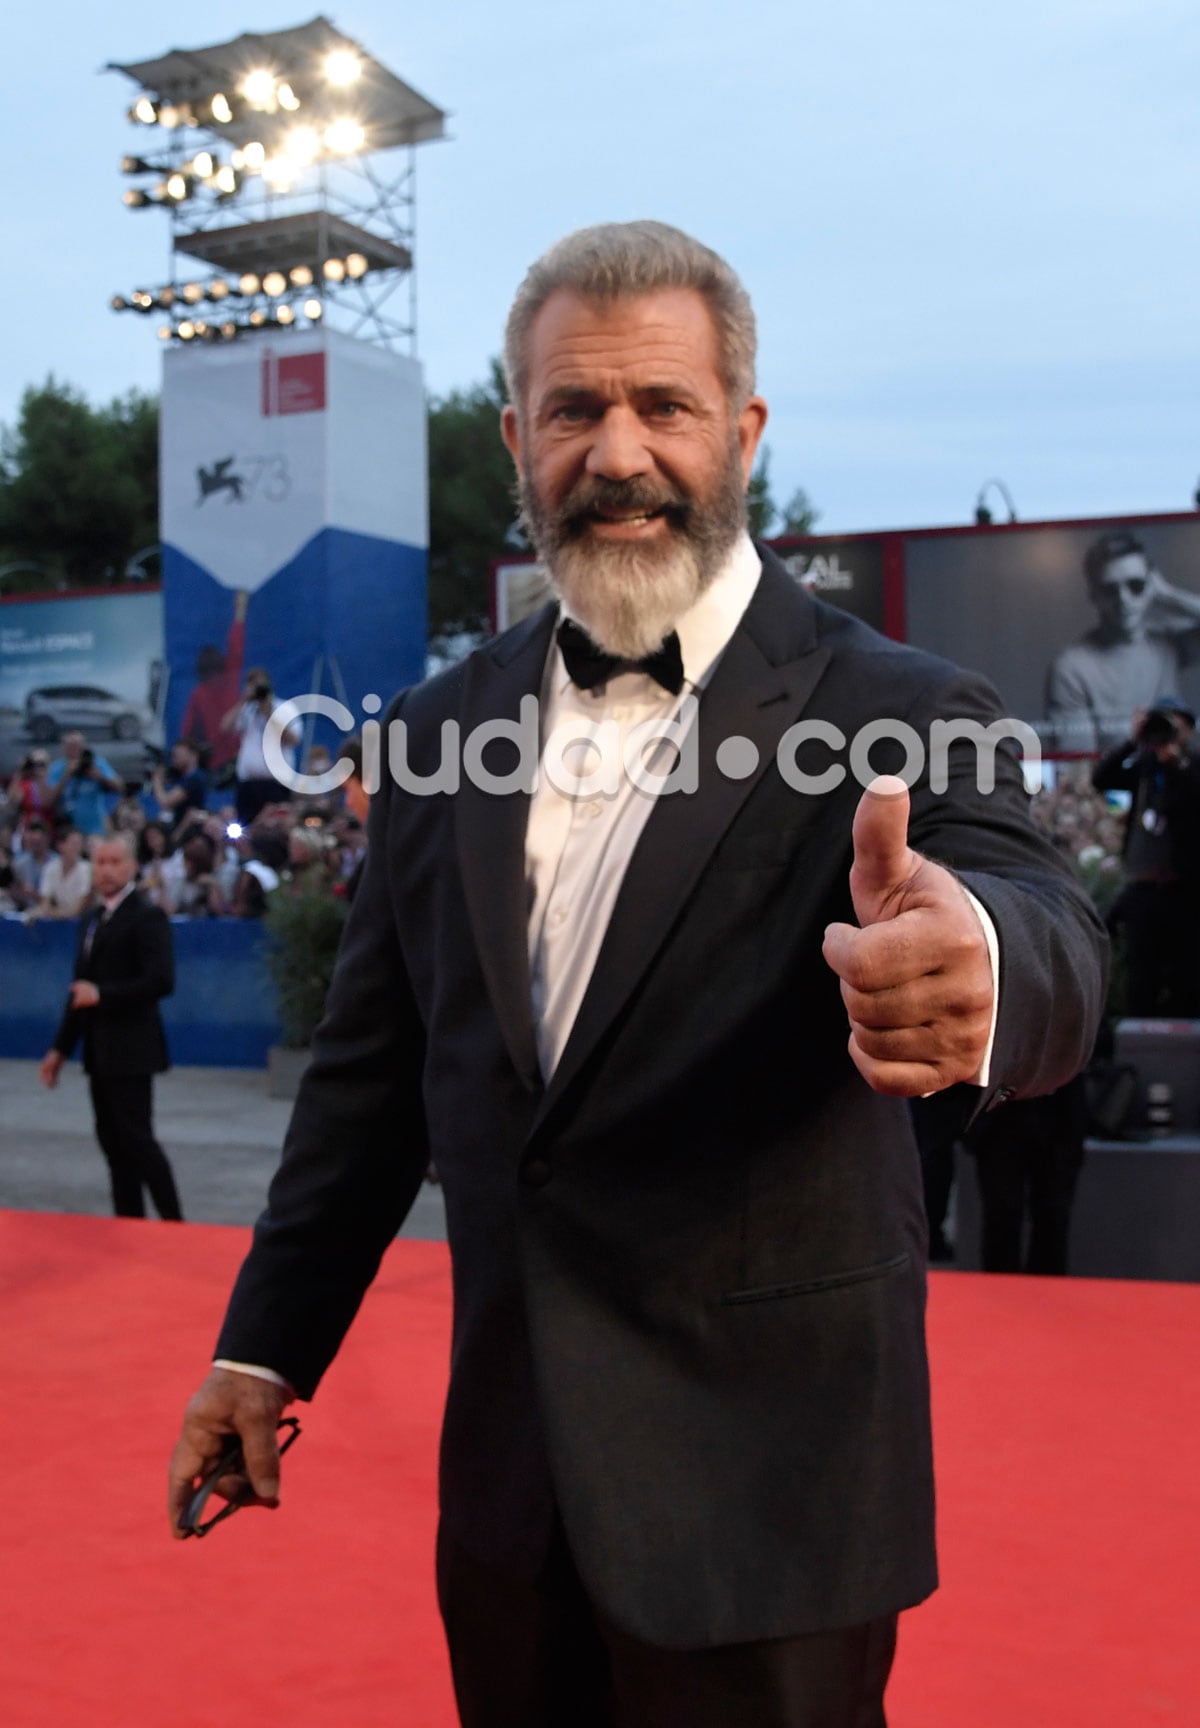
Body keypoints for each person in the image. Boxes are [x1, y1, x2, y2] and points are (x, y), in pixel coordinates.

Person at [169, 222, 1107, 1728]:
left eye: (663, 407)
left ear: (742, 429)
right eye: (573, 410)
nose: (618, 454)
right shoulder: (430, 732)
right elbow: (368, 1090)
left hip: (773, 1511)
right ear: (513, 436)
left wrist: (986, 963)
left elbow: (1040, 911)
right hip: (510, 1508)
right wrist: (263, 1343)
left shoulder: (904, 706)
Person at [39, 830, 182, 1221]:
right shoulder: (91, 920)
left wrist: (102, 993)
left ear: (133, 866)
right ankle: (128, 1222)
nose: (106, 871)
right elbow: (78, 994)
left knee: (139, 1142)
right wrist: (59, 1050)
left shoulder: (147, 916)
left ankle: (175, 1223)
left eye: (114, 862)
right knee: (113, 1145)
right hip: (99, 1053)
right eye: (99, 862)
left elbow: (161, 980)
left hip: (134, 1051)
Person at [1045, 531, 1200, 753]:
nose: (1124, 600)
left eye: (1135, 585)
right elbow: (1078, 760)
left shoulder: (1168, 643)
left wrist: (1167, 594)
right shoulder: (1071, 669)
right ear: (1094, 595)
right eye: (1110, 590)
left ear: (1151, 587)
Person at [1092, 699, 1200, 1015]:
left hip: (1185, 890)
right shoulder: (1143, 768)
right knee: (1142, 975)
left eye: (1174, 726)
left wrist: (1176, 763)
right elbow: (1102, 779)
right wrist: (1133, 740)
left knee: (1188, 975)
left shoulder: (1192, 766)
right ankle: (1139, 1052)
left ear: (1188, 731)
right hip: (1142, 888)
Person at [180, 588, 249, 774]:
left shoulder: (201, 691)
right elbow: (236, 644)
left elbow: (187, 731)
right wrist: (240, 609)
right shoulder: (225, 681)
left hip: (226, 757)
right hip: (225, 757)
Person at [221, 668, 300, 825]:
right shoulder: (246, 710)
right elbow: (225, 727)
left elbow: (292, 739)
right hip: (248, 784)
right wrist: (243, 700)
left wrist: (268, 712)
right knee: (244, 828)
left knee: (274, 826)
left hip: (275, 783)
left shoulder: (284, 708)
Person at [45, 731, 124, 838]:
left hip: (95, 829)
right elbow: (48, 801)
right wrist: (66, 775)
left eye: (78, 746)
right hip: (68, 829)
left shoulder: (96, 763)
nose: (75, 751)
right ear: (64, 748)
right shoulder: (57, 768)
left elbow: (119, 786)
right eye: (71, 746)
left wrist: (100, 777)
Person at [151, 738, 209, 843]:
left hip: (189, 832)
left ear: (193, 755)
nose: (174, 759)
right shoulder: (181, 778)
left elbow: (166, 802)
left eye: (178, 755)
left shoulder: (195, 777)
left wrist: (156, 781)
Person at [35, 827, 91, 920]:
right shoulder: (50, 868)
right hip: (58, 920)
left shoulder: (87, 869)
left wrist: (50, 912)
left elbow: (77, 910)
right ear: (61, 845)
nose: (77, 848)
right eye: (73, 844)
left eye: (79, 844)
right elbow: (45, 904)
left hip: (81, 921)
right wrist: (49, 911)